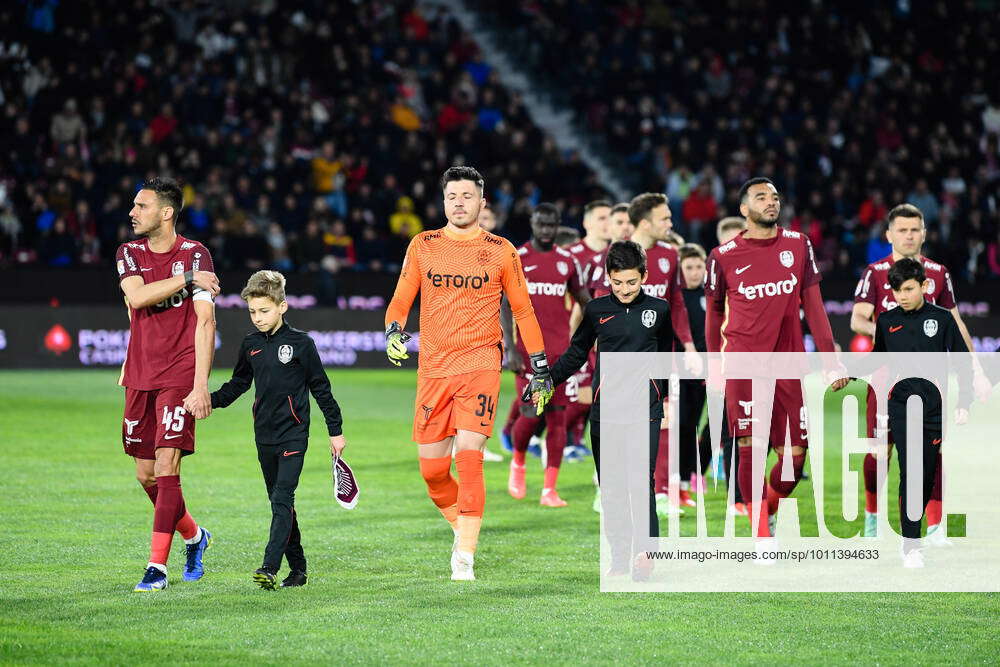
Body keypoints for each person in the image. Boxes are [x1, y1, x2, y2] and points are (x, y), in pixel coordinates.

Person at [383, 166, 553, 581]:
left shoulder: (501, 250)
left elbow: (524, 311)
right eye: (452, 196)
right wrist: (393, 330)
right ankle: (462, 527)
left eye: (466, 196)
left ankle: (466, 557)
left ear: (482, 202)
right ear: (444, 202)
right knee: (432, 472)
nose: (459, 203)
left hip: (480, 366)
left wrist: (541, 365)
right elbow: (401, 298)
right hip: (434, 370)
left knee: (470, 458)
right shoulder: (423, 245)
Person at [704, 177, 847, 543]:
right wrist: (713, 367)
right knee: (750, 444)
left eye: (775, 197)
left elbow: (814, 307)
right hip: (743, 363)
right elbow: (713, 314)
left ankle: (763, 510)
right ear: (743, 208)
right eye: (761, 197)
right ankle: (760, 533)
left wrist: (831, 359)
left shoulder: (799, 245)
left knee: (795, 458)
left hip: (788, 365)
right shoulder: (722, 256)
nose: (771, 202)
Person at [850, 202, 990, 539]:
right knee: (879, 451)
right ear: (889, 234)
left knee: (932, 449)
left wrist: (978, 369)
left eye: (915, 230)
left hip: (929, 381)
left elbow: (955, 323)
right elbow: (857, 319)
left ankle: (935, 524)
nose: (909, 236)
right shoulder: (875, 273)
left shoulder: (938, 274)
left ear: (924, 234)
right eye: (902, 230)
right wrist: (893, 333)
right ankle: (872, 514)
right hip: (886, 379)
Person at [548, 240, 678, 580]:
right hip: (605, 415)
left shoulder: (660, 310)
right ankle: (620, 555)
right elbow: (577, 354)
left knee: (641, 483)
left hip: (644, 412)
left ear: (644, 277)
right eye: (617, 282)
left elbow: (666, 357)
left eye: (632, 282)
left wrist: (663, 396)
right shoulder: (596, 311)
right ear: (608, 277)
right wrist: (548, 380)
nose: (624, 289)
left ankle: (645, 553)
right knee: (613, 489)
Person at [209, 271, 347, 589]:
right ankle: (298, 570)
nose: (257, 318)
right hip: (264, 436)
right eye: (252, 312)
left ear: (282, 307)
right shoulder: (251, 345)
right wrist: (210, 402)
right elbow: (238, 385)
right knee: (280, 502)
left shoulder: (301, 344)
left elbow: (321, 389)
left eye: (264, 311)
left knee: (283, 496)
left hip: (295, 433)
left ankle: (269, 567)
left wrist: (335, 431)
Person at [115, 176, 220, 592]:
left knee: (166, 466)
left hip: (179, 373)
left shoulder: (197, 253)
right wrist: (188, 278)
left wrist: (199, 385)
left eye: (141, 206)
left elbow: (206, 322)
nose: (132, 212)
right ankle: (195, 536)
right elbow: (137, 299)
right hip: (141, 374)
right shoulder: (130, 253)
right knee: (146, 476)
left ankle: (156, 568)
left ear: (166, 212)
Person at [851, 258, 971, 567]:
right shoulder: (887, 320)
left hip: (934, 408)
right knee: (911, 471)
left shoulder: (943, 320)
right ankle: (911, 546)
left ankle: (914, 538)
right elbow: (878, 356)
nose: (902, 296)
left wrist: (964, 402)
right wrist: (848, 372)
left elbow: (962, 362)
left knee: (927, 473)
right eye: (896, 290)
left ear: (924, 286)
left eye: (908, 289)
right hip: (901, 405)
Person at [501, 203, 590, 506]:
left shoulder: (567, 261)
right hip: (527, 353)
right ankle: (518, 461)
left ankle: (549, 489)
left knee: (557, 420)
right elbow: (504, 305)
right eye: (541, 224)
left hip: (561, 356)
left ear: (557, 225)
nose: (546, 230)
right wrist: (509, 348)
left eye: (552, 225)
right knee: (529, 414)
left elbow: (584, 298)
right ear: (532, 223)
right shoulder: (518, 258)